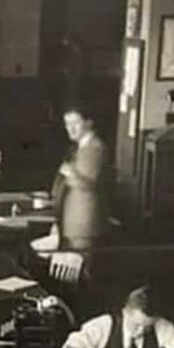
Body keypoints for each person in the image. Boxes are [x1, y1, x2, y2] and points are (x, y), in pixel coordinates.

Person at [49, 103, 110, 252]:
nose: (70, 128)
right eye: (67, 124)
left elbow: (87, 186)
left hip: (83, 223)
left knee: (79, 266)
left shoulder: (94, 148)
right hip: (73, 221)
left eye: (75, 123)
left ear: (89, 123)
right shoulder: (80, 147)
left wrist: (69, 171)